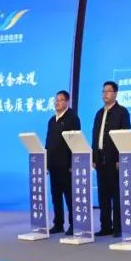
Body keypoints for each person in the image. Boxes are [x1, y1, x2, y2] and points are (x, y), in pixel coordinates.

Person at [91, 81, 131, 237]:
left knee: (117, 194)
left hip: (115, 161)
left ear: (115, 94)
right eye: (103, 91)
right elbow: (95, 136)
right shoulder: (99, 113)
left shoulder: (122, 112)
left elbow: (125, 136)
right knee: (103, 195)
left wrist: (121, 158)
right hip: (100, 159)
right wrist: (94, 157)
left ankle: (118, 228)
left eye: (108, 91)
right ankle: (105, 226)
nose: (105, 94)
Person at [45, 90, 81, 235]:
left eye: (60, 100)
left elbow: (75, 143)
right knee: (56, 196)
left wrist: (73, 163)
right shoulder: (51, 120)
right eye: (56, 100)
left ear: (67, 102)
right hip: (53, 164)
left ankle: (74, 224)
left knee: (70, 197)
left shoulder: (72, 118)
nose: (57, 102)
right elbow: (48, 142)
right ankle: (58, 223)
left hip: (66, 165)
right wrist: (46, 162)